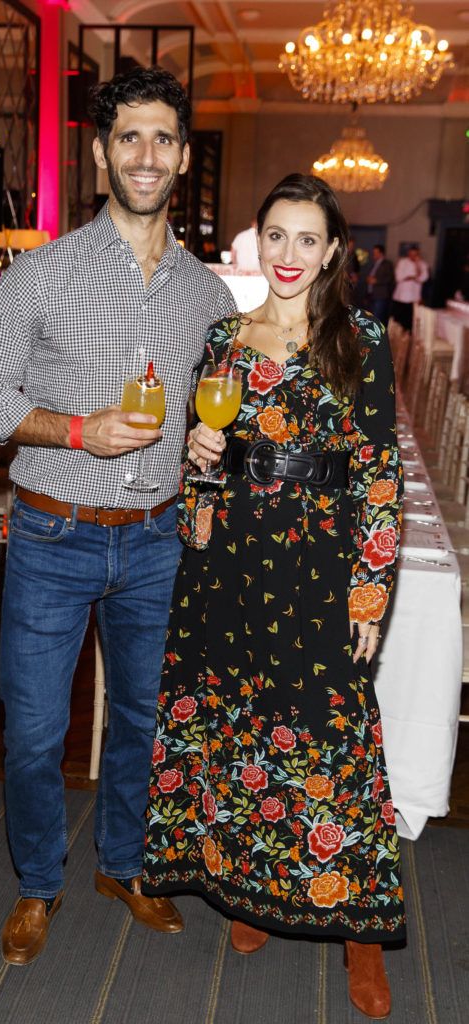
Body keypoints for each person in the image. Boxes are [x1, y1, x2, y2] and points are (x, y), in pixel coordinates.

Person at [0, 66, 235, 967]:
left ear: (183, 157)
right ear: (101, 151)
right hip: (53, 532)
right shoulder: (39, 273)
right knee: (35, 730)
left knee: (146, 720)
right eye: (130, 138)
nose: (147, 155)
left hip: (157, 539)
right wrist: (78, 429)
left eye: (163, 138)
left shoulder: (209, 296)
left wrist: (201, 441)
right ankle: (40, 883)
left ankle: (124, 865)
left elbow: (207, 406)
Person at [142, 173, 405, 1020]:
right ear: (259, 243)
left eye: (307, 239)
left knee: (335, 736)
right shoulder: (223, 337)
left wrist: (370, 591)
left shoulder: (360, 336)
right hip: (234, 566)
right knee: (243, 726)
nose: (290, 255)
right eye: (277, 237)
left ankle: (359, 925)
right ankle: (257, 893)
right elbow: (205, 464)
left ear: (331, 250)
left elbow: (377, 473)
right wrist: (202, 460)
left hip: (321, 566)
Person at [391, 244, 429, 332]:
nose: (412, 256)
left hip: (414, 297)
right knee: (398, 319)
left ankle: (408, 339)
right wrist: (411, 277)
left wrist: (417, 265)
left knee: (411, 320)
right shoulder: (402, 262)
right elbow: (398, 277)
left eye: (415, 254)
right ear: (408, 253)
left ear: (418, 254)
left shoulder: (422, 264)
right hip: (400, 296)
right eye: (411, 254)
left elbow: (424, 278)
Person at [366, 243, 394, 328]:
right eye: (373, 252)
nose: (373, 254)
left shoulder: (387, 264)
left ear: (381, 253)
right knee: (371, 316)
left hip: (381, 294)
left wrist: (376, 280)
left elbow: (390, 278)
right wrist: (368, 279)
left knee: (377, 316)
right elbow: (372, 277)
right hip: (372, 294)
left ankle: (377, 336)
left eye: (375, 252)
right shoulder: (374, 264)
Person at [346, 235, 361, 304]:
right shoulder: (341, 256)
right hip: (343, 285)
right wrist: (349, 279)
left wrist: (356, 276)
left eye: (352, 245)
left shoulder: (354, 256)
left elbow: (357, 269)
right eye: (350, 245)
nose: (351, 247)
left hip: (352, 285)